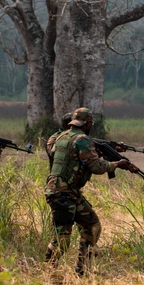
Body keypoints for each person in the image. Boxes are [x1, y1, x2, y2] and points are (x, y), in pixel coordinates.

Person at [44, 107, 137, 275]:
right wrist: (117, 164)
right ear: (87, 124)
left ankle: (83, 270)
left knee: (92, 226)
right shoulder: (82, 140)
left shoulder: (62, 136)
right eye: (91, 123)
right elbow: (96, 167)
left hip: (69, 192)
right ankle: (48, 272)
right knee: (62, 238)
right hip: (62, 193)